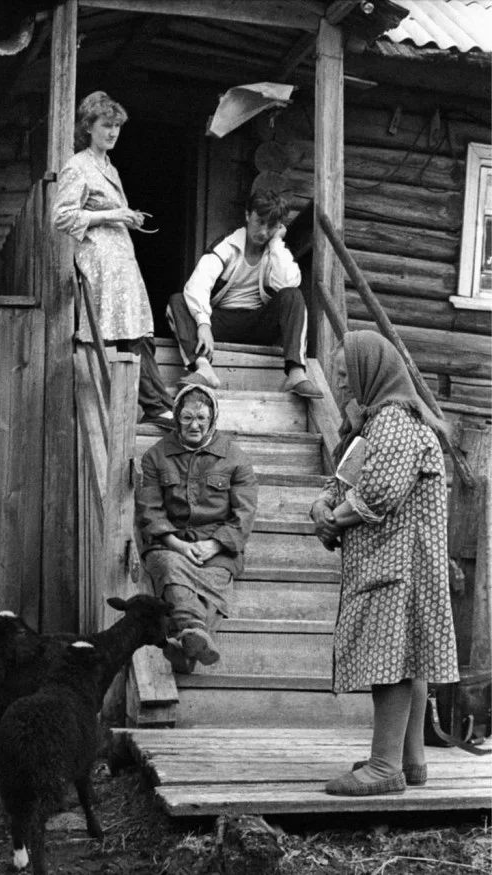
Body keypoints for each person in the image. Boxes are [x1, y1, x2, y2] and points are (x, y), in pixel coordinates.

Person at [310, 330, 459, 797]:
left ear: (370, 371)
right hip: (389, 564)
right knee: (408, 658)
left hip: (400, 565)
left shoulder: (394, 420)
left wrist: (332, 519)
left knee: (390, 663)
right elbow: (345, 482)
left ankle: (383, 767)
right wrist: (322, 507)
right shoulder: (375, 423)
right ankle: (409, 760)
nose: (341, 383)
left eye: (345, 374)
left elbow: (378, 493)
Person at [53, 91, 174, 429]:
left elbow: (106, 210)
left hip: (121, 260)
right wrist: (111, 215)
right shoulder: (78, 166)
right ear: (88, 127)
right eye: (106, 125)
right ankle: (135, 406)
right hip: (101, 262)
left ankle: (157, 404)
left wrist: (126, 217)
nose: (112, 132)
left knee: (138, 329)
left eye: (117, 126)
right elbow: (61, 217)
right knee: (114, 333)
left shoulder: (109, 167)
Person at [135, 383, 258, 673]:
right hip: (171, 543)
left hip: (218, 546)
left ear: (212, 419)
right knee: (169, 570)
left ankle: (185, 642)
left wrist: (214, 545)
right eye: (187, 417)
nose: (194, 425)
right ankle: (195, 633)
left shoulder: (235, 458)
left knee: (213, 583)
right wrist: (177, 544)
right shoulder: (155, 456)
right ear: (177, 417)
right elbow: (149, 508)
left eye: (201, 418)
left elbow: (244, 512)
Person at [166, 188, 322, 398]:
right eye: (260, 222)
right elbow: (197, 284)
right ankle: (203, 368)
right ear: (248, 215)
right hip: (220, 323)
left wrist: (276, 243)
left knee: (293, 296)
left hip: (257, 326)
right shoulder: (227, 246)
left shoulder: (275, 252)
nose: (263, 232)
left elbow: (288, 283)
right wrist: (203, 324)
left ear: (279, 227)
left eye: (271, 226)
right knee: (178, 300)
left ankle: (296, 374)